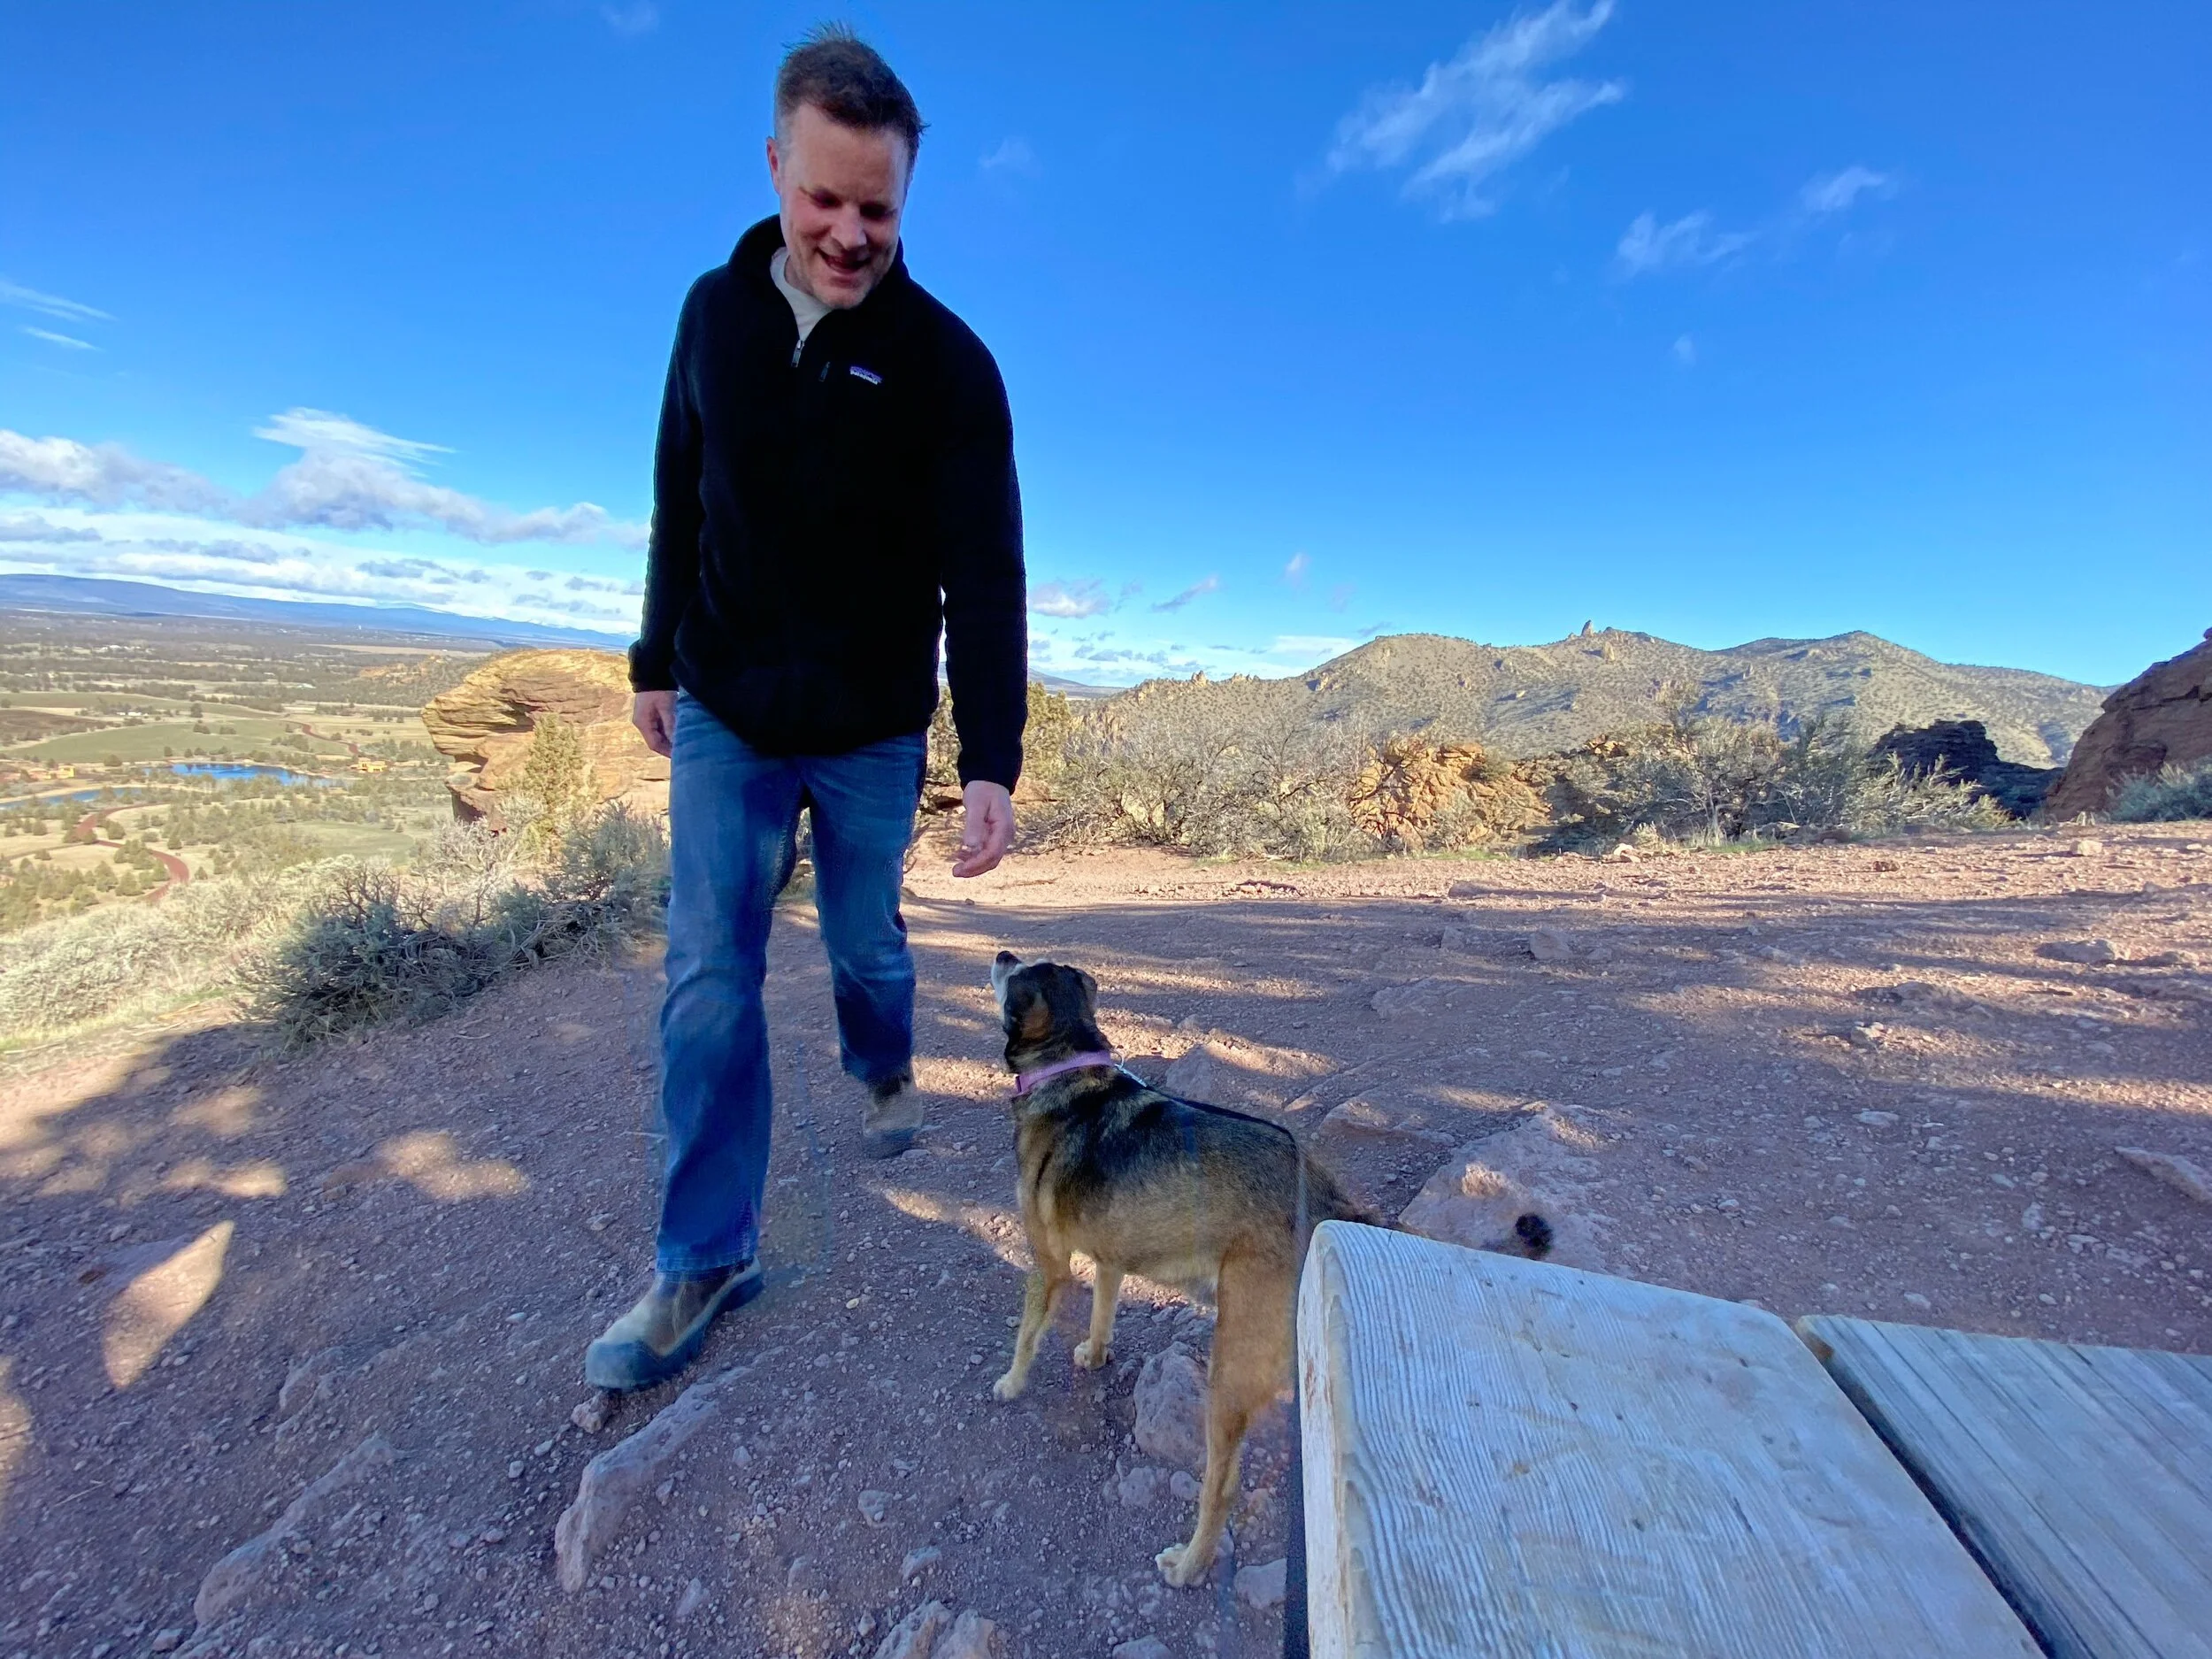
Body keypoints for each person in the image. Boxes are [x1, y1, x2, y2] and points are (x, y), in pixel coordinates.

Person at [586, 27, 1026, 1392]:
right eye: (822, 199)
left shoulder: (951, 367)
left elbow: (986, 571)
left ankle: (882, 1052)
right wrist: (656, 655)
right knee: (709, 978)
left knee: (863, 946)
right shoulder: (710, 316)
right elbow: (677, 490)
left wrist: (993, 757)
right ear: (778, 165)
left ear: (909, 201)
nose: (847, 233)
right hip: (726, 700)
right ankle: (704, 1258)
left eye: (877, 209)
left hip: (871, 726)